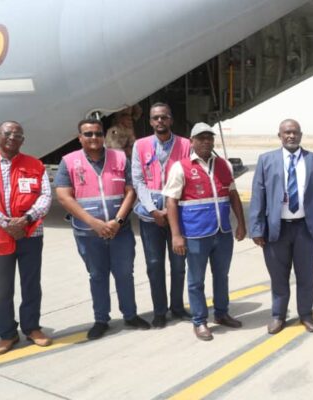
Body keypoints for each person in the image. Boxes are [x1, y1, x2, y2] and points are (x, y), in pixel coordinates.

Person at [55, 119, 150, 340]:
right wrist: (93, 223)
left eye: (97, 133)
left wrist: (118, 221)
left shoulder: (119, 157)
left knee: (125, 274)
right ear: (80, 138)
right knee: (97, 276)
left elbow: (130, 191)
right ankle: (101, 320)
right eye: (88, 134)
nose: (94, 138)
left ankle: (130, 315)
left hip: (120, 231)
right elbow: (64, 196)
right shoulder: (69, 161)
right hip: (88, 233)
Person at [249, 119, 313, 335]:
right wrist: (257, 229)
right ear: (279, 135)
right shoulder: (266, 160)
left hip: (305, 229)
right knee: (278, 276)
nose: (291, 136)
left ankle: (306, 314)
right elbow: (258, 196)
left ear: (301, 135)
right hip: (276, 229)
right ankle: (278, 316)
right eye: (287, 132)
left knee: (306, 276)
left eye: (295, 132)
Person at [164, 122, 247, 341]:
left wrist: (241, 223)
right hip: (196, 234)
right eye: (201, 138)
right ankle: (199, 321)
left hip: (222, 232)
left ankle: (221, 313)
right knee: (196, 280)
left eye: (209, 138)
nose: (206, 142)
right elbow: (171, 202)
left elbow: (233, 195)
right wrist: (176, 235)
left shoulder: (224, 165)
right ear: (191, 142)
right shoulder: (180, 167)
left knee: (221, 276)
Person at [131, 103, 191, 328]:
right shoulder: (140, 145)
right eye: (155, 118)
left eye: (164, 117)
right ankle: (159, 311)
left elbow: (189, 176)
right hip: (151, 216)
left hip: (178, 212)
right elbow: (138, 180)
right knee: (154, 264)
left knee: (178, 263)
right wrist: (153, 209)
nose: (160, 121)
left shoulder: (185, 145)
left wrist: (171, 208)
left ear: (171, 120)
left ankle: (177, 307)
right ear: (150, 121)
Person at [0, 121, 52, 354]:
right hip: (0, 235)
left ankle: (32, 327)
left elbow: (45, 196)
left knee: (31, 283)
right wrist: (6, 223)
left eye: (18, 134)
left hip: (31, 233)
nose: (13, 137)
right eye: (8, 133)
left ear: (23, 140)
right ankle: (6, 333)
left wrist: (26, 219)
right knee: (1, 287)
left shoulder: (35, 164)